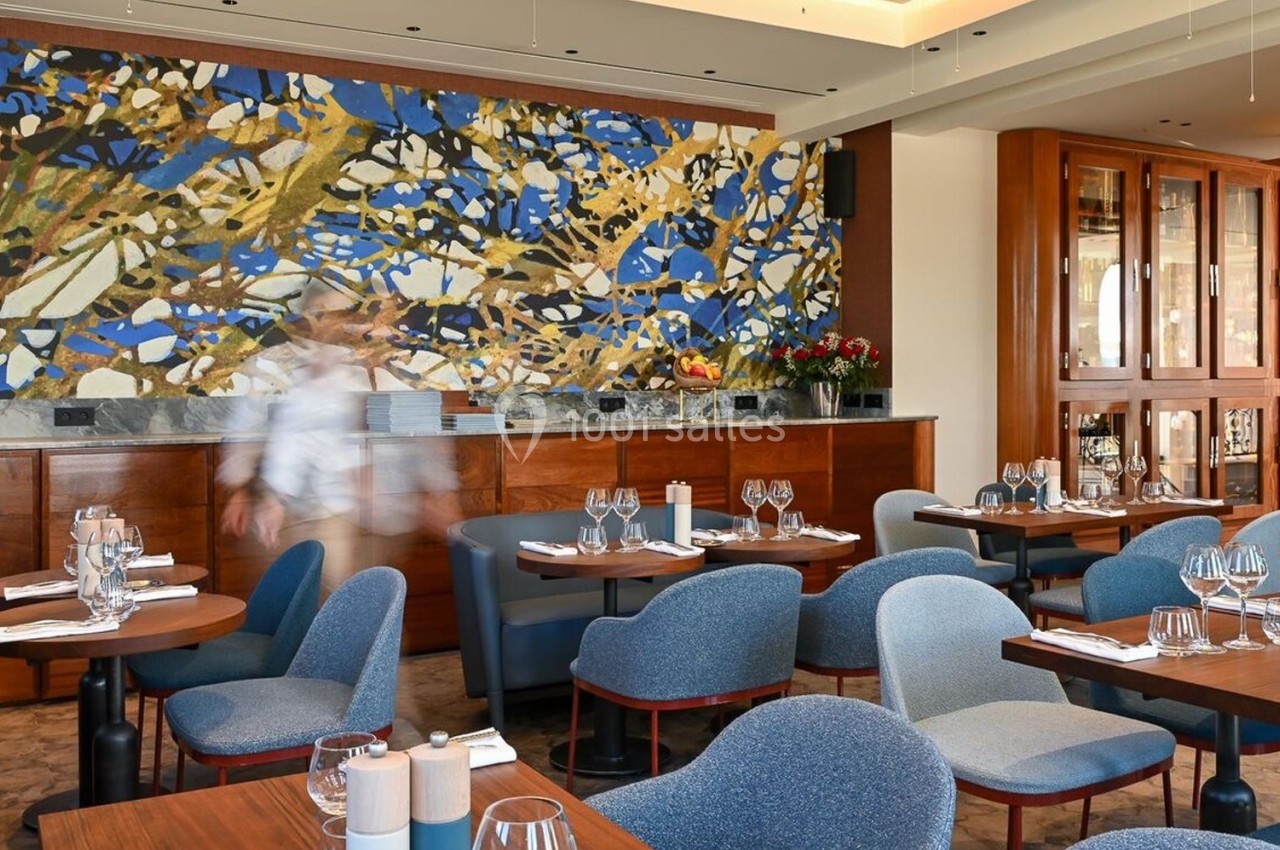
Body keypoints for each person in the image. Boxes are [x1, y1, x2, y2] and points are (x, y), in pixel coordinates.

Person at [219, 279, 459, 597]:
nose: (350, 323)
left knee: (351, 603)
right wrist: (244, 490)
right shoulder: (273, 366)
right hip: (296, 509)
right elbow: (254, 433)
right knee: (317, 603)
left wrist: (438, 492)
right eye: (340, 314)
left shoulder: (365, 366)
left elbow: (419, 434)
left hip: (364, 513)